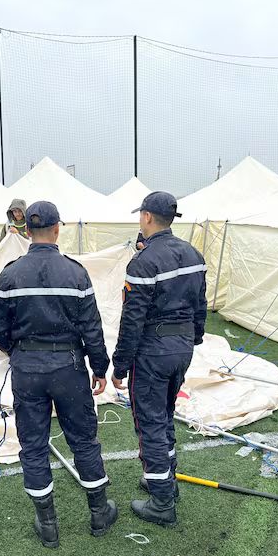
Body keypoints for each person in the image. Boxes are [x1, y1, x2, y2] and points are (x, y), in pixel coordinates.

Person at [0, 201, 117, 548]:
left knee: (33, 446)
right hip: (68, 368)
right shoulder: (75, 273)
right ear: (58, 229)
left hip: (27, 369)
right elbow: (92, 327)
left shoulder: (10, 274)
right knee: (84, 441)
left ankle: (47, 525)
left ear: (27, 231)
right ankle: (99, 513)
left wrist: (18, 352)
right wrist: (100, 368)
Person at [111, 192, 207, 527]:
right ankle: (166, 480)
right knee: (164, 415)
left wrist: (120, 365)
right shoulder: (193, 253)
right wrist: (194, 338)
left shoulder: (144, 261)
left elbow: (132, 319)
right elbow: (200, 304)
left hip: (154, 349)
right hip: (182, 346)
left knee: (150, 423)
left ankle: (162, 502)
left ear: (148, 217)